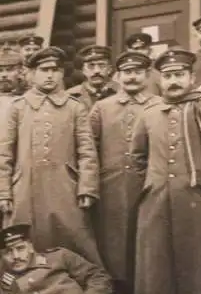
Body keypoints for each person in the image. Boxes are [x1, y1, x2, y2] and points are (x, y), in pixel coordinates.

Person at [131, 48, 201, 294]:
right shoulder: (149, 114)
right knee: (159, 271)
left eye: (180, 75)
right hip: (158, 205)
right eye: (168, 76)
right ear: (160, 80)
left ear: (191, 78)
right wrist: (156, 184)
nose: (174, 81)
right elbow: (138, 158)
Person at [0, 46, 104, 266]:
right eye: (44, 70)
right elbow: (5, 152)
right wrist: (4, 193)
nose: (49, 75)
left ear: (61, 73)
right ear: (31, 74)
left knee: (77, 243)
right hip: (24, 191)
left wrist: (87, 187)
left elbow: (86, 151)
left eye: (55, 70)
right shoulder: (18, 107)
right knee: (23, 249)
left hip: (65, 189)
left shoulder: (75, 107)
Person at [89, 51, 162, 294]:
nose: (132, 77)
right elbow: (89, 148)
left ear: (148, 75)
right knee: (113, 244)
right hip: (111, 188)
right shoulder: (102, 108)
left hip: (149, 185)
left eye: (137, 72)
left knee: (147, 241)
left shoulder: (159, 105)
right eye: (127, 72)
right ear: (118, 76)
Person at [0, 224, 112, 294]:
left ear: (31, 247)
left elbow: (98, 276)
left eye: (20, 248)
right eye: (8, 252)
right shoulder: (5, 281)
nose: (16, 256)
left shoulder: (59, 256)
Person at [66, 45, 119, 111]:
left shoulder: (121, 91)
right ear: (83, 70)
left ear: (109, 69)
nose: (96, 71)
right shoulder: (71, 95)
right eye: (91, 66)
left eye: (101, 65)